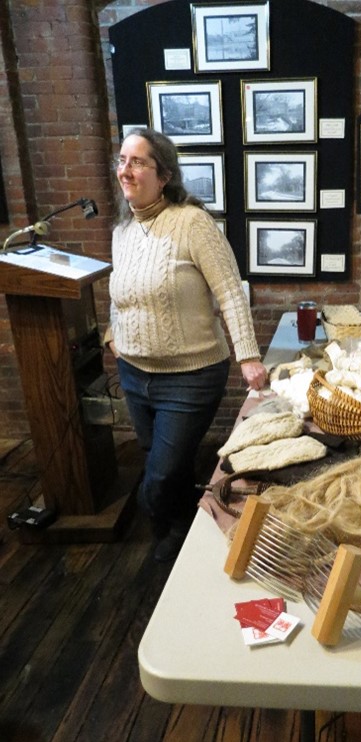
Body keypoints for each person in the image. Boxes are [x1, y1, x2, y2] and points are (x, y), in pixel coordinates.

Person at [105, 127, 267, 563]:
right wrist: (111, 335)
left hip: (190, 377)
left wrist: (248, 355)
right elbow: (119, 292)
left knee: (158, 477)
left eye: (137, 161)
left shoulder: (193, 223)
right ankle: (178, 529)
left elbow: (230, 292)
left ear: (164, 175)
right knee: (162, 463)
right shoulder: (122, 230)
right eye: (122, 160)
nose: (126, 169)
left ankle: (171, 532)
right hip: (135, 375)